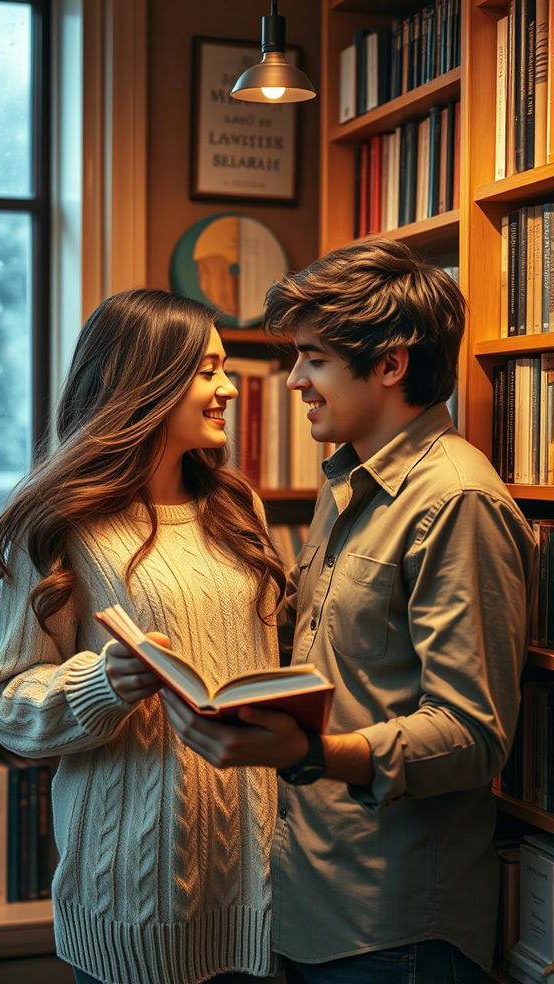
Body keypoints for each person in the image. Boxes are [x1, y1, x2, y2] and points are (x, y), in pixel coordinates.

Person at [161, 239, 538, 984]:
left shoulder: (455, 502)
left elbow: (471, 734)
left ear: (391, 364)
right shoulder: (353, 481)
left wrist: (306, 754)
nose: (294, 379)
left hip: (393, 925)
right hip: (311, 897)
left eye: (314, 359)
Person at [0, 288, 287, 984]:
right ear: (147, 381)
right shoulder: (56, 522)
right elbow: (5, 704)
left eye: (223, 369)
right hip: (133, 900)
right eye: (207, 371)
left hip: (262, 888)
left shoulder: (238, 509)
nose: (229, 389)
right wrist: (102, 682)